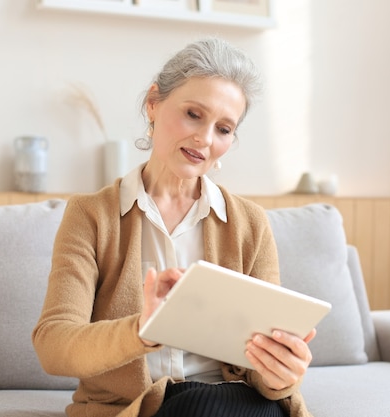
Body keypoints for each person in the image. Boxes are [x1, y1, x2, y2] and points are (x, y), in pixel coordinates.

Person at [32, 37, 316, 417]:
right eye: (194, 114)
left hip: (238, 405)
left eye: (224, 129)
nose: (205, 139)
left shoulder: (250, 224)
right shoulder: (91, 216)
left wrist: (282, 373)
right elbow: (54, 346)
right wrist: (142, 331)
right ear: (153, 103)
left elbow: (263, 378)